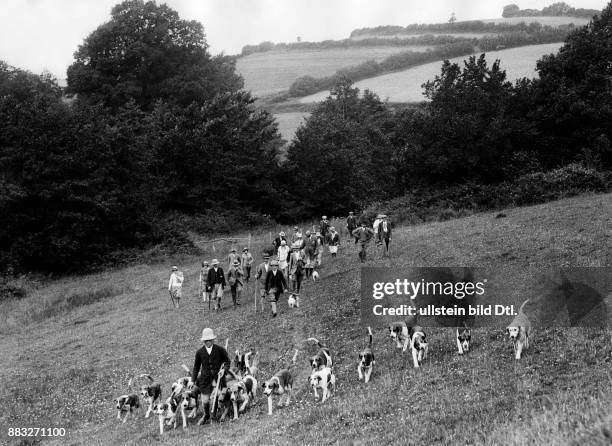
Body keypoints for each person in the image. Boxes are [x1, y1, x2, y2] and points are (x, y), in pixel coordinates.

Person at [192, 328, 231, 425]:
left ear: (213, 340)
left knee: (215, 397)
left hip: (218, 379)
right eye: (206, 340)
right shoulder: (199, 352)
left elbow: (227, 362)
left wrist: (224, 370)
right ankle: (206, 415)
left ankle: (213, 416)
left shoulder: (220, 350)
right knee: (205, 400)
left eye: (210, 340)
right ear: (203, 341)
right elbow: (196, 367)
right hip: (205, 380)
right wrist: (192, 380)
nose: (208, 342)